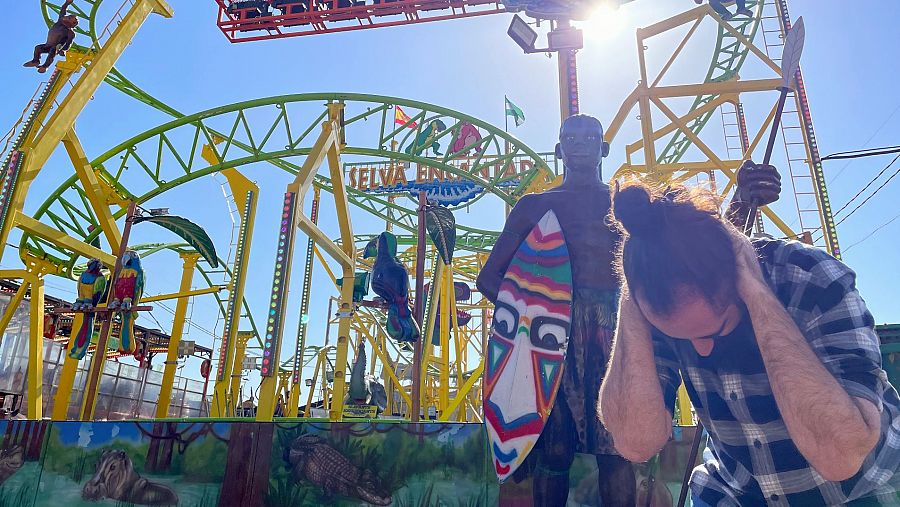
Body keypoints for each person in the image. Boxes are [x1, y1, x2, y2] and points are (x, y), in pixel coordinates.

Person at [477, 114, 779, 506]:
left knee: (618, 447)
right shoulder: (536, 205)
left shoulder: (632, 206)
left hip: (621, 329)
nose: (580, 142)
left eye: (590, 136)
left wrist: (741, 201)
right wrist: (530, 320)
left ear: (603, 148)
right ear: (558, 149)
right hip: (551, 337)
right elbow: (490, 279)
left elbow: (695, 247)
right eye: (571, 136)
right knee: (553, 450)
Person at [600, 182, 900, 505]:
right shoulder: (654, 304)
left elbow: (840, 457)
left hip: (859, 490)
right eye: (680, 338)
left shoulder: (814, 279)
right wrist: (631, 298)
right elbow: (635, 442)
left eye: (716, 331)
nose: (702, 351)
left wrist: (758, 295)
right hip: (734, 492)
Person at [24, 0, 78, 74]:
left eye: (69, 18)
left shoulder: (70, 32)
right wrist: (67, 3)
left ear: (72, 23)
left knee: (53, 50)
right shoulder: (60, 21)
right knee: (38, 48)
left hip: (57, 47)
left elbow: (68, 43)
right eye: (68, 16)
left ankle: (45, 66)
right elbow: (63, 10)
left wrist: (63, 50)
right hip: (48, 45)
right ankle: (35, 61)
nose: (65, 17)